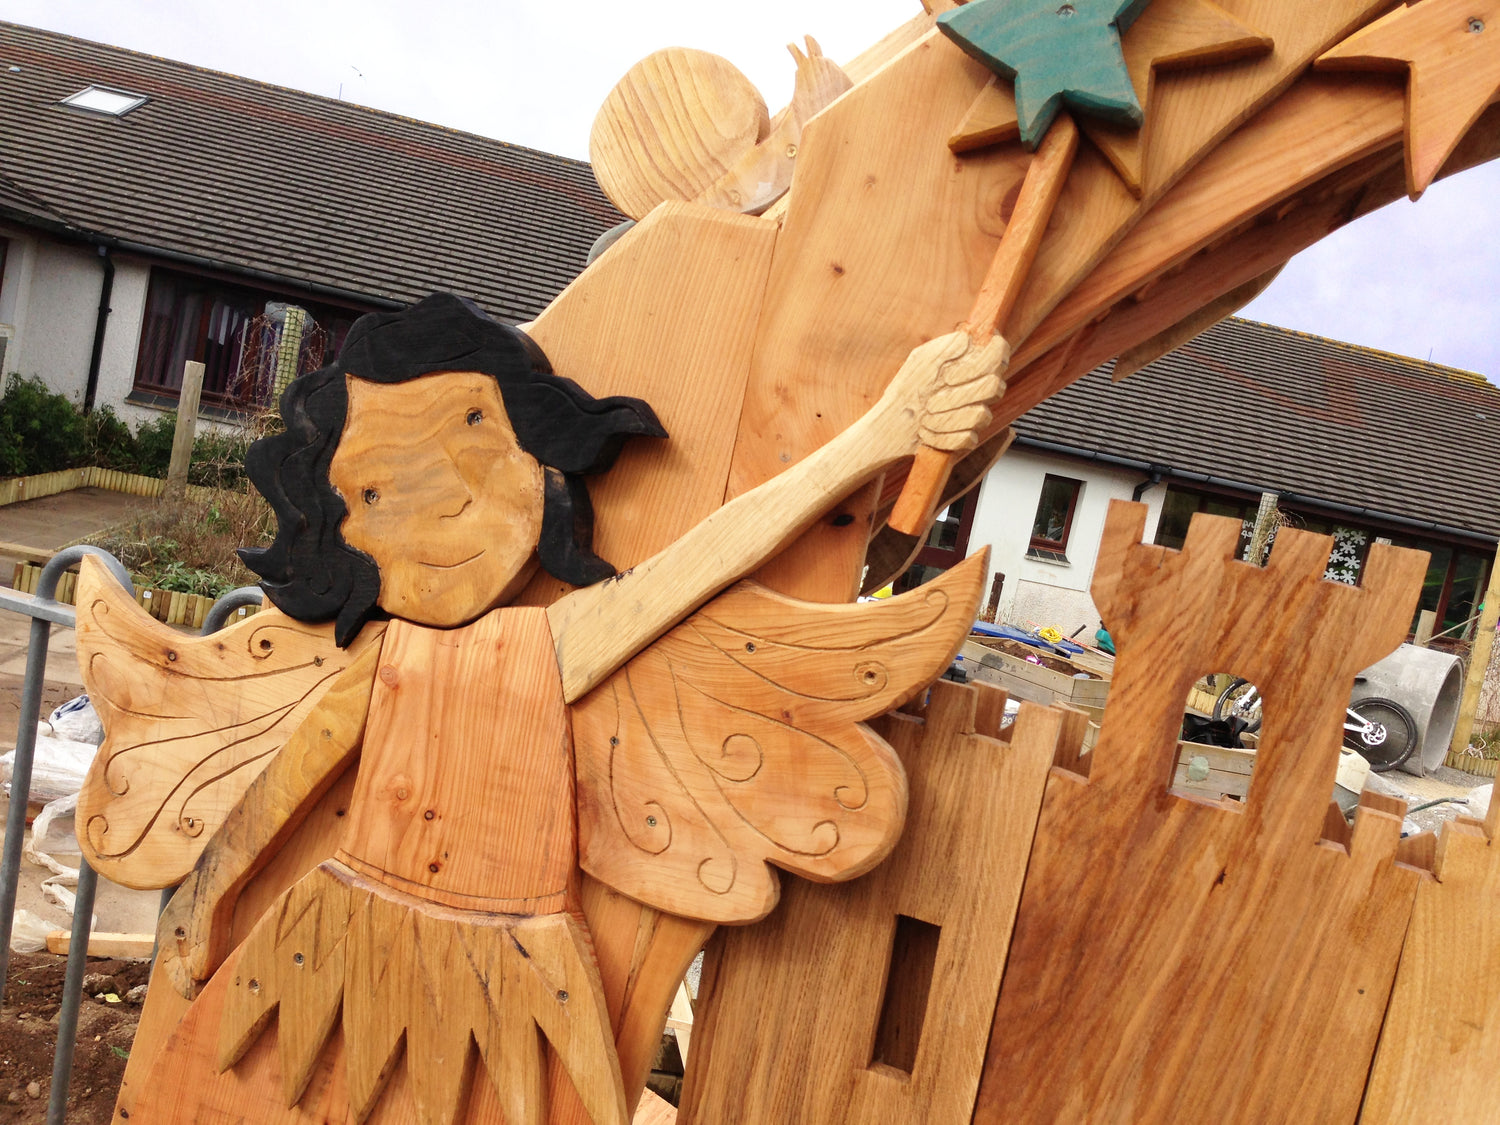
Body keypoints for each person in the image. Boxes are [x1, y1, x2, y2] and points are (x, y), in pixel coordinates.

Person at [153, 292, 1005, 1125]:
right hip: (338, 935)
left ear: (541, 450)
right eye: (375, 491)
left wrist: (884, 431)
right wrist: (204, 897)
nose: (445, 499)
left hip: (505, 963)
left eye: (472, 435)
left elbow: (706, 558)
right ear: (344, 531)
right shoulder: (386, 663)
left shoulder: (549, 646)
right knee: (247, 1091)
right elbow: (281, 787)